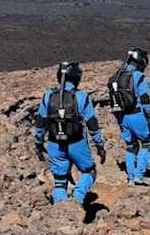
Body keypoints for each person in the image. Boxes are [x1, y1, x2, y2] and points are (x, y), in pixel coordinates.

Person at [34, 62, 106, 204]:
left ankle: (61, 210)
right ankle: (77, 199)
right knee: (89, 171)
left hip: (55, 144)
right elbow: (92, 124)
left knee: (60, 180)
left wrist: (38, 143)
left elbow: (40, 123)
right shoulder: (81, 97)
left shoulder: (47, 96)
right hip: (77, 143)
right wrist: (100, 145)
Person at [108, 47, 150, 186]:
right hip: (136, 115)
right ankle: (138, 175)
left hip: (121, 116)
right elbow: (145, 99)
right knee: (147, 143)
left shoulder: (118, 75)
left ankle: (130, 177)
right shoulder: (138, 76)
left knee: (131, 145)